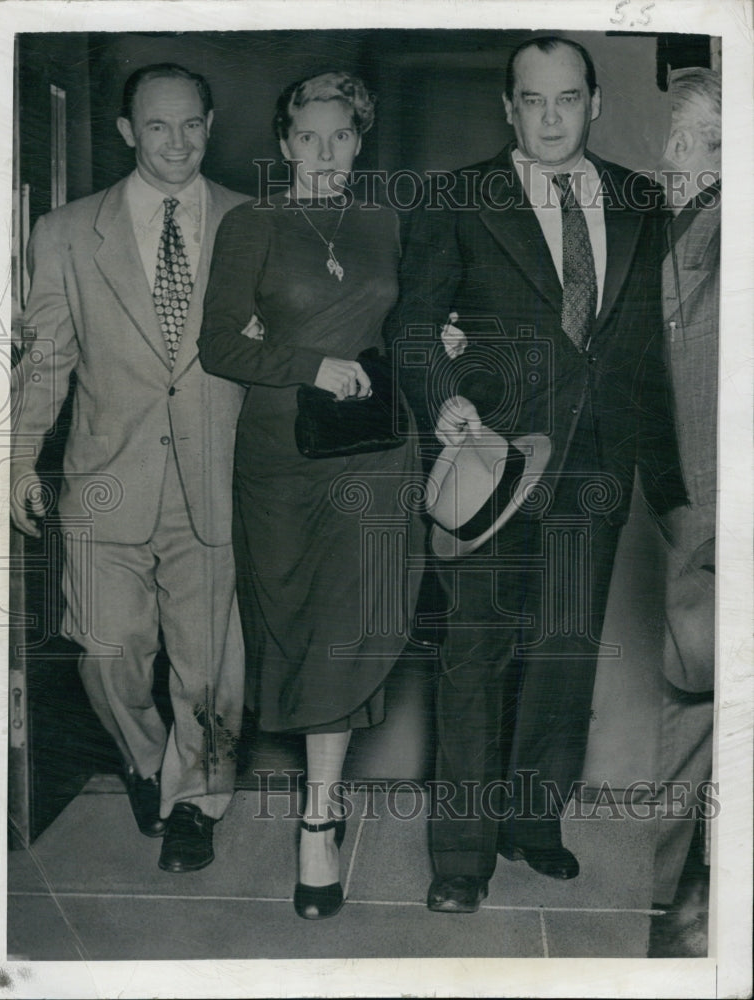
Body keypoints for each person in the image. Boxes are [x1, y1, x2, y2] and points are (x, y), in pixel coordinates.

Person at [386, 36, 688, 913]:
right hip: (490, 466)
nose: (550, 117)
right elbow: (412, 326)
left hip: (595, 467)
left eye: (566, 99)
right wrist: (442, 398)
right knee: (473, 659)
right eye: (532, 100)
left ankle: (531, 823)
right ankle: (461, 857)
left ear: (593, 103)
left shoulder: (640, 200)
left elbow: (650, 353)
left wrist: (673, 492)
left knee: (562, 656)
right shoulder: (454, 197)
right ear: (507, 107)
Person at [10, 63, 251, 874]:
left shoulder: (253, 224)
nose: (176, 143)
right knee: (108, 657)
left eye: (191, 125)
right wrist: (16, 459)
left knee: (210, 670)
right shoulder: (69, 233)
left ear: (210, 125)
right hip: (105, 485)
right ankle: (149, 765)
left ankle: (196, 802)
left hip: (214, 486)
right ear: (126, 132)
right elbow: (45, 361)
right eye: (157, 126)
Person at [199, 71, 421, 920]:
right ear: (283, 143)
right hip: (281, 459)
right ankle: (311, 805)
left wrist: (429, 334)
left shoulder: (380, 220)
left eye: (340, 137)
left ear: (358, 142)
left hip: (369, 452)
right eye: (306, 138)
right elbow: (220, 344)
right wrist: (305, 364)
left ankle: (319, 820)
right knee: (291, 629)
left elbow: (393, 323)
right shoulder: (252, 224)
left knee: (347, 624)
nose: (323, 153)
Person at [649, 67, 720, 956]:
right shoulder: (675, 228)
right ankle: (673, 898)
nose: (673, 158)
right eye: (672, 139)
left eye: (698, 143)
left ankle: (692, 906)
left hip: (720, 504)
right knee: (691, 695)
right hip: (683, 509)